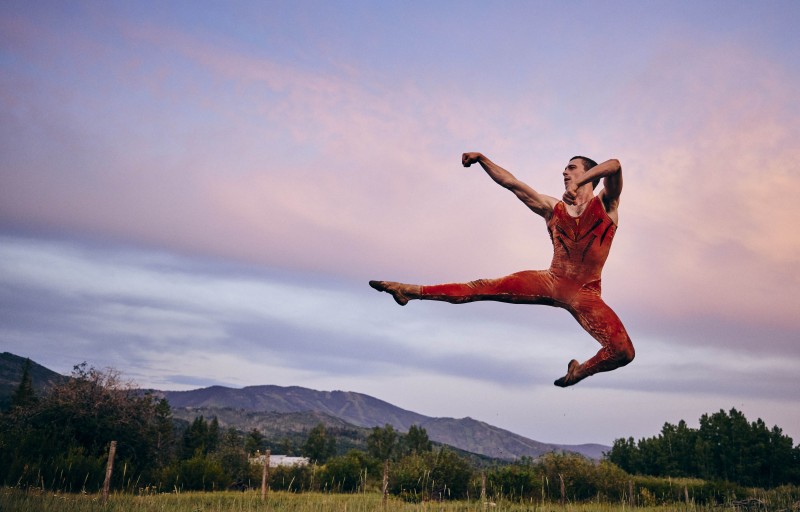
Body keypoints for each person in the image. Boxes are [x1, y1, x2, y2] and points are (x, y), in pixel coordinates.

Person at [369, 152, 635, 387]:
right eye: (566, 169)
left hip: (586, 294)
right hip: (552, 281)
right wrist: (483, 160)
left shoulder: (607, 204)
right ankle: (408, 291)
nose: (565, 172)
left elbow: (615, 165)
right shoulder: (552, 208)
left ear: (588, 174)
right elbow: (512, 183)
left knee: (624, 353)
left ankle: (578, 373)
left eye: (571, 168)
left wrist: (579, 182)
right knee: (482, 287)